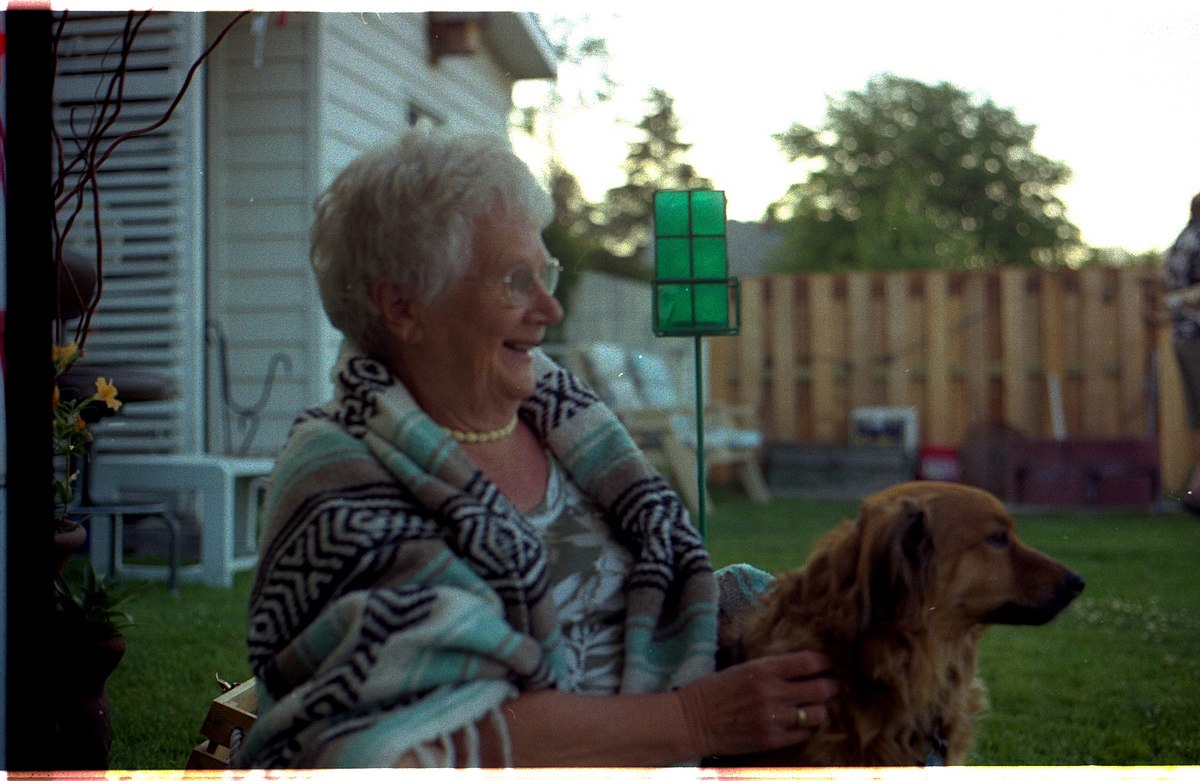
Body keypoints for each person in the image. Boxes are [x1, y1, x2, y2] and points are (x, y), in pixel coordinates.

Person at [233, 130, 836, 768]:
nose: (548, 308)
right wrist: (696, 722)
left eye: (544, 274)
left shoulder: (567, 420)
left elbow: (633, 602)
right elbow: (400, 743)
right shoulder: (340, 478)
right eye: (516, 281)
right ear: (403, 306)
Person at [1165, 191, 1200, 513]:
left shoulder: (1181, 240)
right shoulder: (1197, 241)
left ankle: (1195, 488)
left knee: (1196, 415)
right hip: (1196, 335)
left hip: (1183, 336)